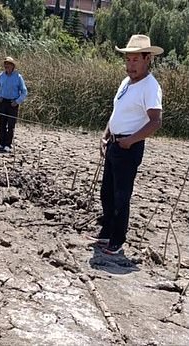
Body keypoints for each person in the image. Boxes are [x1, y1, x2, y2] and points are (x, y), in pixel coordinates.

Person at [88, 34, 163, 255]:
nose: (130, 65)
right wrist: (105, 135)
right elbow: (116, 112)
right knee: (107, 193)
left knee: (121, 195)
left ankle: (117, 240)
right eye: (128, 60)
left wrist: (129, 141)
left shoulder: (150, 87)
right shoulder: (126, 83)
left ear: (147, 59)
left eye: (135, 60)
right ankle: (106, 232)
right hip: (113, 142)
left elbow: (155, 122)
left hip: (128, 147)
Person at [0, 57, 27, 153]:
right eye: (5, 64)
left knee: (11, 124)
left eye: (9, 64)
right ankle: (1, 143)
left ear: (13, 66)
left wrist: (17, 101)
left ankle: (8, 144)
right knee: (2, 124)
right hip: (3, 101)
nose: (6, 66)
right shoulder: (1, 76)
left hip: (13, 103)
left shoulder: (18, 77)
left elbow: (24, 91)